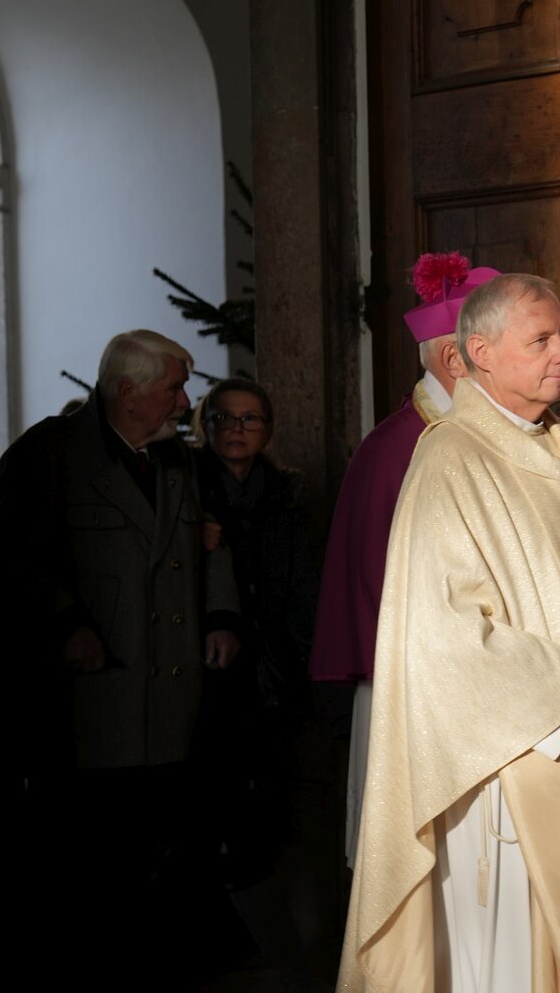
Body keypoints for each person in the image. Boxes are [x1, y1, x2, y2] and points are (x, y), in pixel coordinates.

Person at [339, 274, 560, 992]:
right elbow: (446, 631)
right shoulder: (451, 459)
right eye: (542, 340)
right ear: (480, 354)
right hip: (507, 754)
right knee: (515, 952)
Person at [0, 328, 243, 984]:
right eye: (173, 389)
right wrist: (65, 624)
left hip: (173, 706)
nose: (185, 404)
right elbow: (2, 563)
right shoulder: (50, 454)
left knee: (166, 860)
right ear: (127, 392)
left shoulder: (178, 460)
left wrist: (221, 617)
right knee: (92, 869)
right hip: (93, 711)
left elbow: (211, 545)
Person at [311, 252, 498, 862]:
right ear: (454, 359)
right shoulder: (396, 449)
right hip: (415, 682)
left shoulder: (474, 434)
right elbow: (378, 584)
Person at [193, 378, 320, 890]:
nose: (236, 429)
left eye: (249, 419)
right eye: (224, 417)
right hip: (207, 653)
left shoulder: (287, 491)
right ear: (206, 425)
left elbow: (304, 579)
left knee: (269, 781)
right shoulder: (186, 486)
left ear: (267, 429)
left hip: (274, 654)